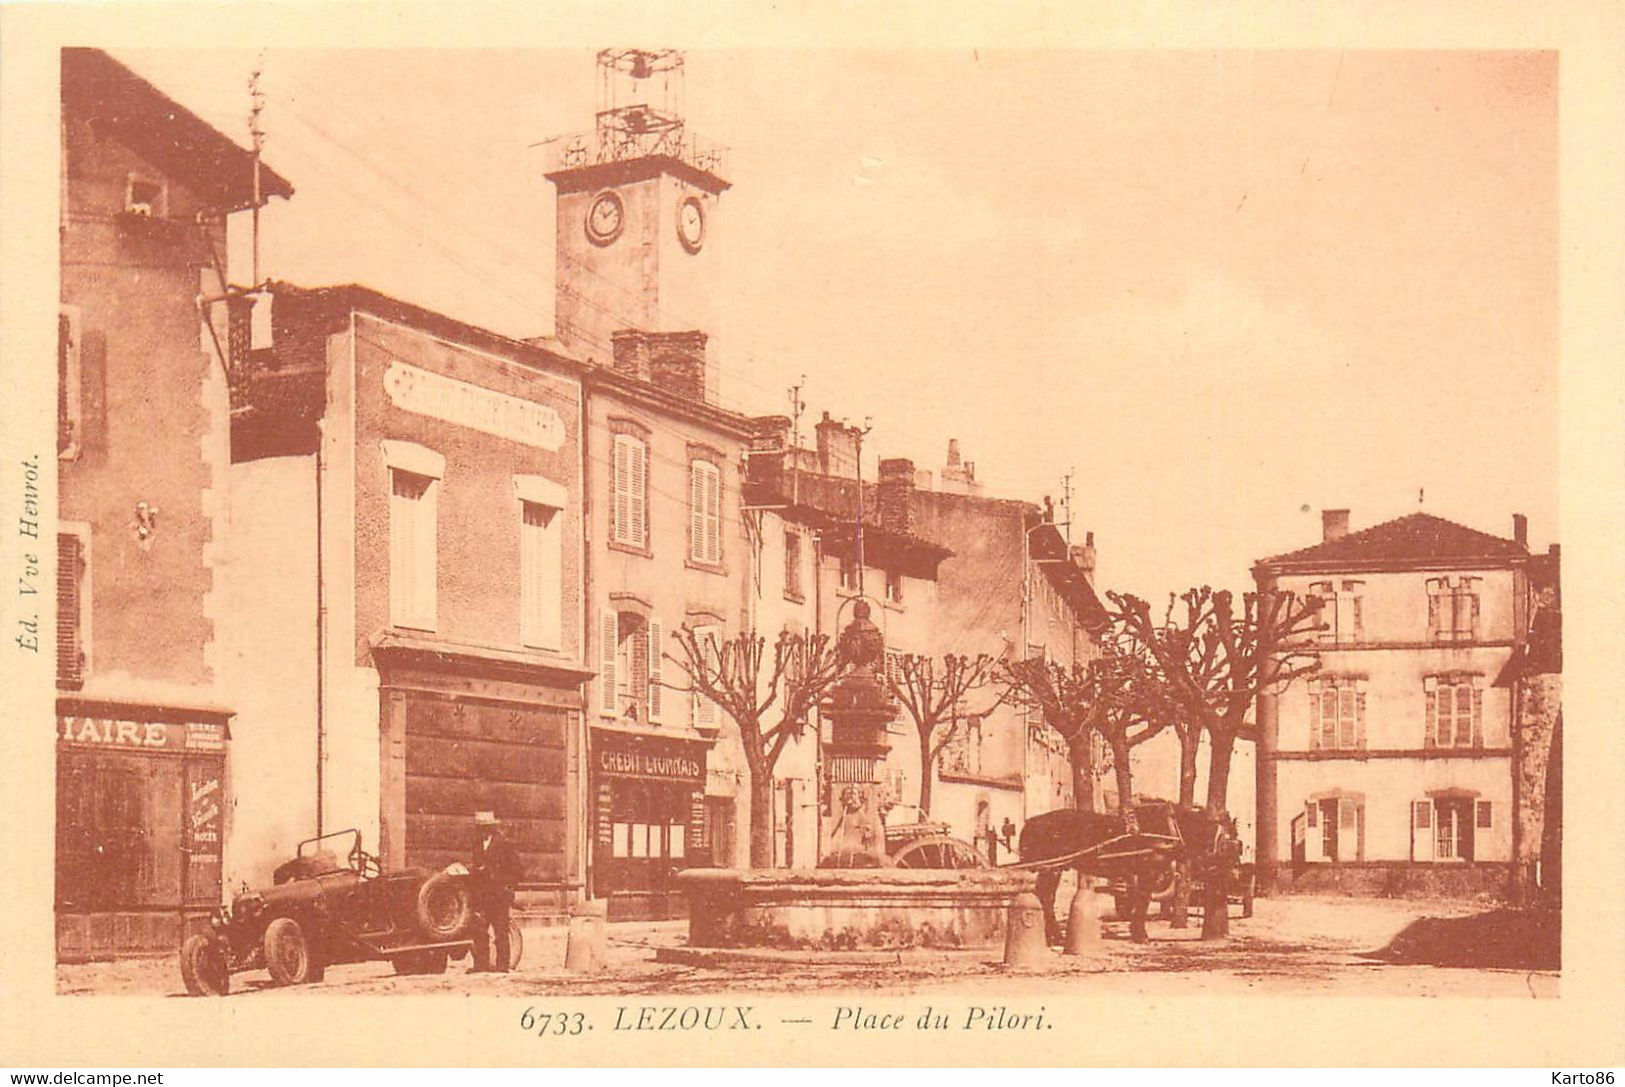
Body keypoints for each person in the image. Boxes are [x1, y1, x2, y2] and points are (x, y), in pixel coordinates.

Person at [469, 810, 517, 973]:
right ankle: (481, 964)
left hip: (499, 895)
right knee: (479, 931)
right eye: (479, 827)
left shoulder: (505, 844)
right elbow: (476, 865)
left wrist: (507, 887)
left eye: (485, 827)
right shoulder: (476, 844)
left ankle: (502, 966)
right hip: (481, 895)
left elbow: (516, 870)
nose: (482, 830)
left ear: (492, 827)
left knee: (500, 931)